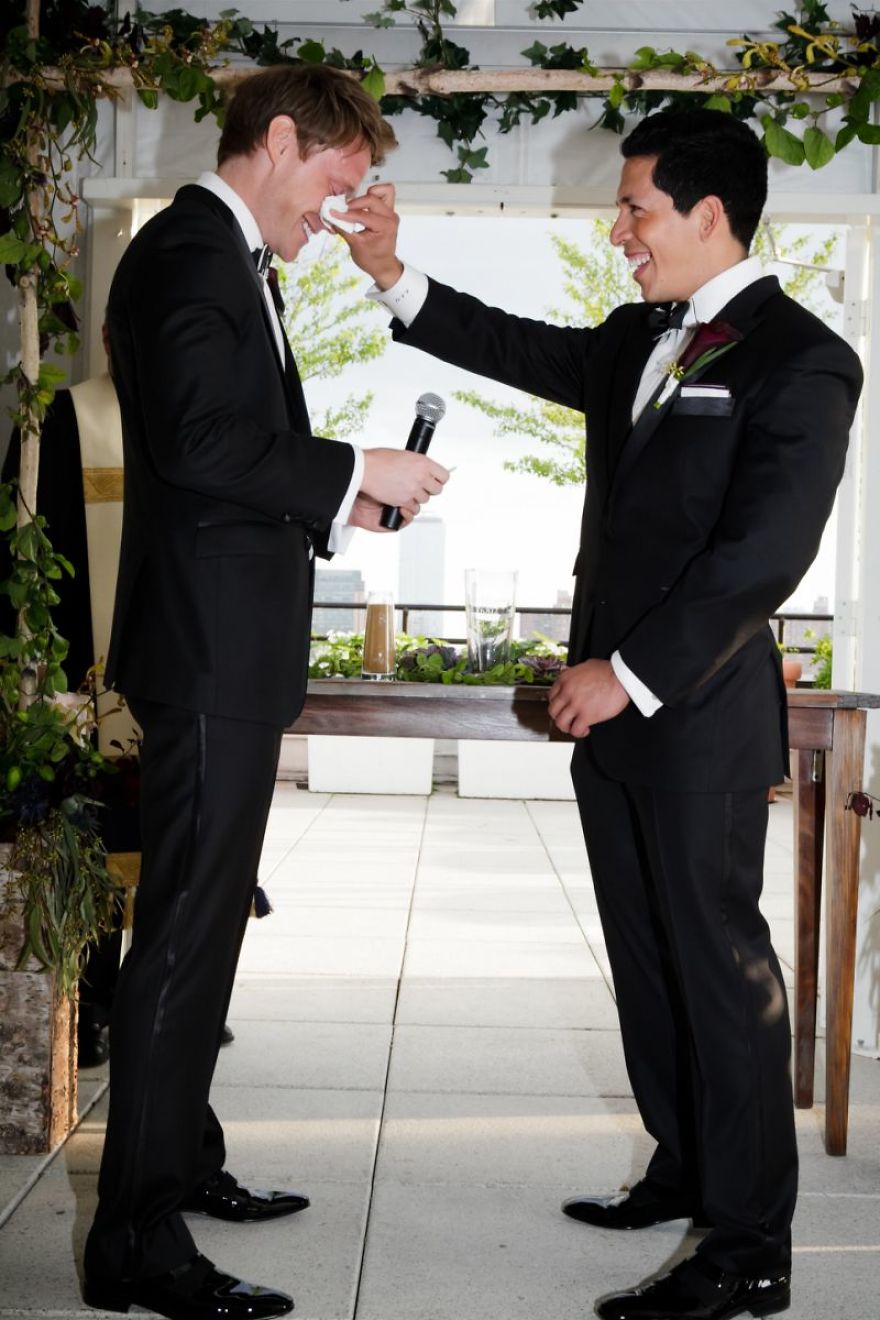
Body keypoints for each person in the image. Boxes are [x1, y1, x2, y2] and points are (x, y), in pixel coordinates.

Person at [338, 109, 862, 1320]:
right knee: (645, 962)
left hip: (695, 718)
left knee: (723, 978)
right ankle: (684, 1167)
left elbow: (761, 557)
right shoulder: (636, 336)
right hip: (616, 728)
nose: (616, 231)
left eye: (635, 208)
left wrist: (626, 672)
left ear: (708, 214)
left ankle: (750, 1249)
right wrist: (390, 272)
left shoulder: (804, 359)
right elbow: (509, 342)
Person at [82, 65, 447, 1320]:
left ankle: (181, 1158)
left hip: (221, 648)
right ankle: (135, 1242)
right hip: (206, 657)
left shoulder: (227, 257)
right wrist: (356, 465)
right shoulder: (192, 252)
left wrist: (344, 504)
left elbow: (226, 461)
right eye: (341, 179)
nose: (342, 208)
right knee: (186, 936)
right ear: (282, 139)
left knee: (206, 923)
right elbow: (196, 444)